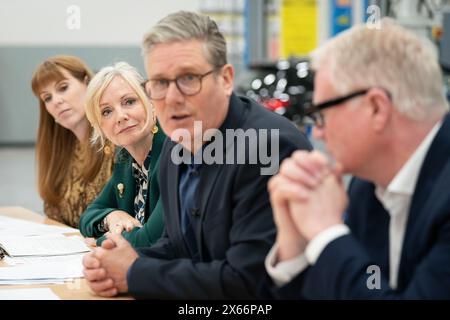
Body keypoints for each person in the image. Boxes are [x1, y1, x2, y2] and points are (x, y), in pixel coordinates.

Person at [82, 10, 312, 299]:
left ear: (226, 79)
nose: (173, 97)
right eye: (160, 83)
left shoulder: (267, 146)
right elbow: (179, 246)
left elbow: (249, 283)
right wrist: (116, 261)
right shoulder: (177, 145)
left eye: (189, 78)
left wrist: (134, 272)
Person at [266, 19, 450, 299]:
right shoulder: (368, 183)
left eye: (322, 113)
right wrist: (296, 247)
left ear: (376, 107)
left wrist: (326, 234)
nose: (318, 131)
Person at [79, 62, 166, 247]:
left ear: (151, 104)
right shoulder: (126, 159)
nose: (120, 116)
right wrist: (111, 216)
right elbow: (87, 217)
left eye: (129, 102)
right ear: (99, 127)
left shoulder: (174, 153)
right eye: (106, 111)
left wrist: (100, 240)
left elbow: (149, 241)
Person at [31, 55, 114, 228]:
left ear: (86, 82)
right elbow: (54, 216)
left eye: (63, 88)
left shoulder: (116, 141)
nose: (56, 101)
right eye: (47, 98)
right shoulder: (59, 152)